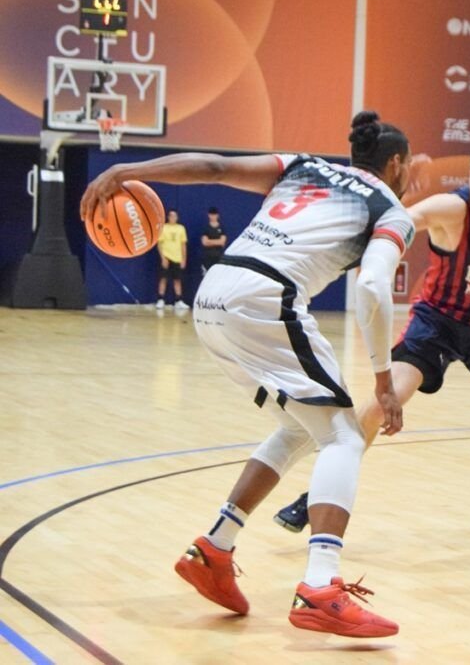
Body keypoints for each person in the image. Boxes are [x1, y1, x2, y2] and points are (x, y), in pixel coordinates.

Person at [80, 110, 416, 638]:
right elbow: (374, 287)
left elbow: (213, 166)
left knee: (299, 427)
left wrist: (127, 170)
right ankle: (320, 586)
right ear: (397, 164)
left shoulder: (302, 166)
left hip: (213, 297)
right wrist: (382, 380)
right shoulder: (392, 209)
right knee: (345, 437)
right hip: (265, 298)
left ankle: (214, 548)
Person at [274, 140, 470, 579]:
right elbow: (398, 220)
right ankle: (317, 494)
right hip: (438, 323)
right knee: (383, 402)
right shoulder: (451, 210)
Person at [156, 208, 188, 310]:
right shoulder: (163, 228)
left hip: (177, 258)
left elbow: (183, 245)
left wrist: (184, 259)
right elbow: (159, 244)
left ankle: (178, 301)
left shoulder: (181, 228)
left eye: (174, 216)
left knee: (177, 280)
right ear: (168, 217)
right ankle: (161, 299)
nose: (172, 218)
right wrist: (163, 258)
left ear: (177, 217)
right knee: (163, 278)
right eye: (171, 216)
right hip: (166, 257)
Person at [200, 207, 227, 273]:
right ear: (209, 215)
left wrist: (209, 241)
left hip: (219, 257)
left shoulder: (222, 228)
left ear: (218, 215)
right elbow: (204, 242)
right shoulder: (206, 228)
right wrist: (218, 241)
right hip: (207, 257)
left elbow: (222, 242)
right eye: (211, 214)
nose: (213, 216)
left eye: (215, 214)